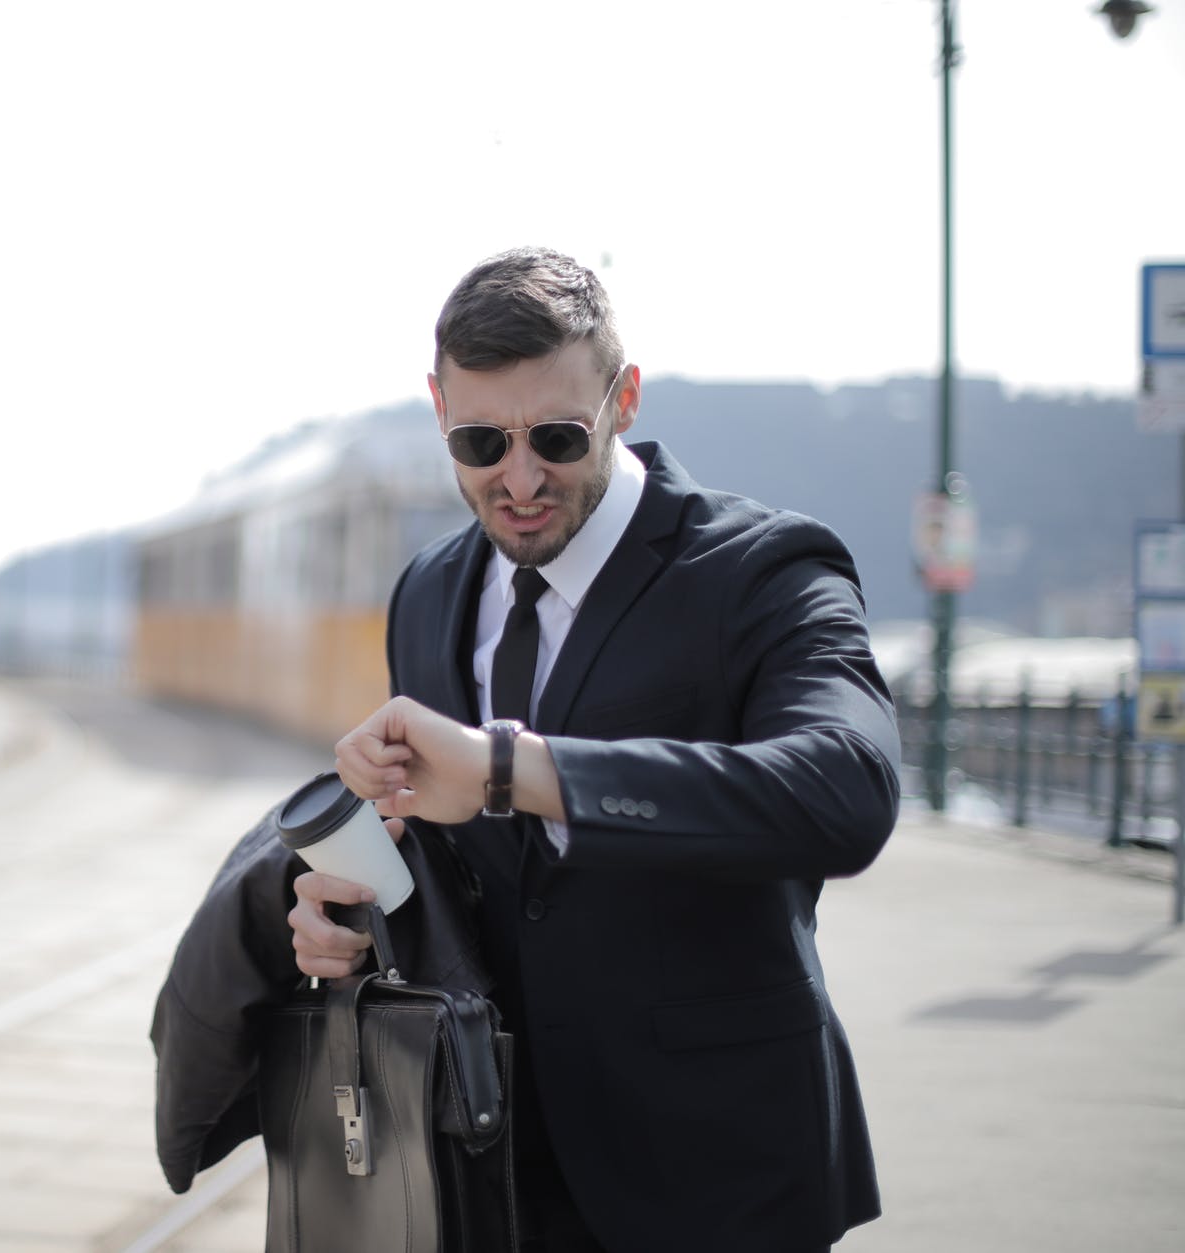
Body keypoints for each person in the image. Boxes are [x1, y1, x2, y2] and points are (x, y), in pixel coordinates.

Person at [287, 247, 902, 1251]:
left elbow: (846, 791)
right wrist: (347, 909)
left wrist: (515, 768)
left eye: (558, 437)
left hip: (713, 1172)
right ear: (436, 405)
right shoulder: (426, 593)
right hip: (480, 1162)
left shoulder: (765, 569)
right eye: (479, 439)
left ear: (623, 397)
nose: (518, 477)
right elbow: (452, 858)